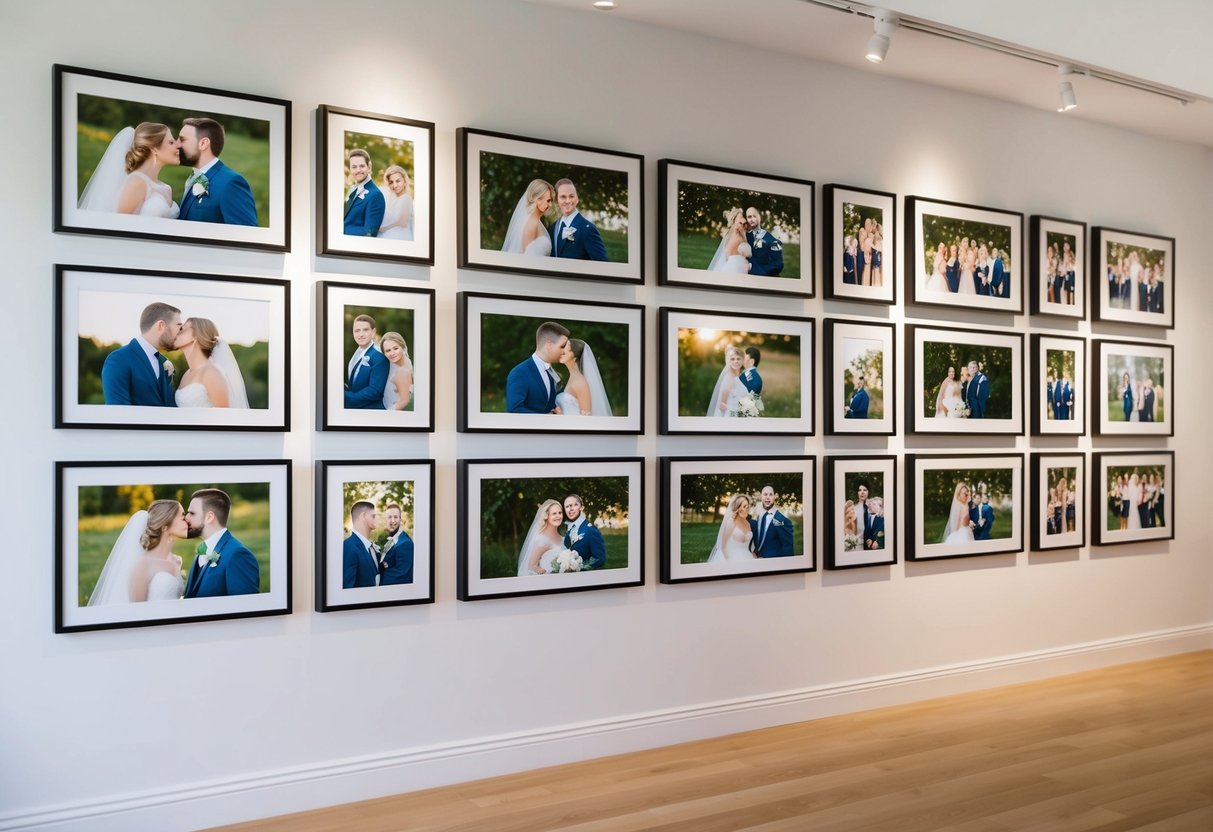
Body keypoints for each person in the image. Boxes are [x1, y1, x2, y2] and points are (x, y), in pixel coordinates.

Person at [88, 499, 186, 605]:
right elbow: (138, 611)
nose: (187, 521)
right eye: (182, 517)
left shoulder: (175, 560)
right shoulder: (144, 564)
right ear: (164, 527)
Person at [78, 122, 180, 218]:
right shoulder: (137, 182)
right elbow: (118, 226)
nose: (178, 145)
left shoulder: (166, 188)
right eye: (171, 142)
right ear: (154, 149)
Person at [177, 117, 258, 225]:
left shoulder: (231, 183)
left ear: (203, 144)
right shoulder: (195, 178)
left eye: (182, 139)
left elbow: (248, 235)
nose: (177, 144)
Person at [101, 301, 182, 407]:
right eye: (178, 326)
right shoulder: (118, 359)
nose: (181, 332)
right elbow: (118, 414)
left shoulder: (165, 363)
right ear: (161, 325)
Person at [183, 488, 260, 597]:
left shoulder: (238, 555)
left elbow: (246, 608)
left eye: (191, 513)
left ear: (209, 517)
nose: (186, 518)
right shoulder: (201, 553)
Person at [172, 317, 249, 408]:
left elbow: (223, 418)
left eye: (182, 329)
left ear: (196, 335)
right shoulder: (186, 374)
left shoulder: (211, 372)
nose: (176, 332)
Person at [505, 321, 569, 414]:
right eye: (562, 346)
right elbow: (515, 410)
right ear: (549, 345)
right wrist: (548, 420)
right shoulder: (519, 373)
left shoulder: (552, 372)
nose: (565, 351)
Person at [550, 179, 608, 261]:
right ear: (556, 200)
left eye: (571, 196)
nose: (568, 201)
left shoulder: (588, 230)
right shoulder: (552, 228)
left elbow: (603, 265)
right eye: (563, 197)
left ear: (577, 198)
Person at [555, 338, 611, 417]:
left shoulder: (579, 382)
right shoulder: (573, 378)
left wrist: (561, 416)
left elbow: (586, 419)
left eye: (567, 350)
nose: (562, 352)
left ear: (575, 357)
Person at [345, 314, 389, 410]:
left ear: (373, 332)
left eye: (365, 330)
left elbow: (375, 391)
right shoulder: (357, 354)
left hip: (371, 413)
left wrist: (346, 397)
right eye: (357, 330)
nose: (361, 334)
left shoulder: (379, 357)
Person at [501, 178, 554, 256]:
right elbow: (528, 258)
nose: (550, 205)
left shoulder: (534, 221)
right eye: (548, 200)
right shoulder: (532, 224)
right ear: (538, 199)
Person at [342, 148, 385, 237]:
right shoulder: (352, 190)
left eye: (362, 166)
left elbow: (369, 234)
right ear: (350, 169)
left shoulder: (376, 195)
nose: (358, 170)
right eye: (354, 167)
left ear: (369, 168)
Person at [517, 499, 565, 575]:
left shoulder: (563, 538)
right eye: (554, 513)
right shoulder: (541, 540)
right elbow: (531, 567)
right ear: (546, 516)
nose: (558, 516)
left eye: (560, 513)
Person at [706, 494, 755, 563]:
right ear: (737, 508)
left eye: (746, 506)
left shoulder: (748, 524)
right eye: (742, 506)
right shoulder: (731, 522)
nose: (745, 509)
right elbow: (723, 547)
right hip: (732, 559)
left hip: (747, 557)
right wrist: (729, 562)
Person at [342, 501, 380, 589]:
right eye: (373, 516)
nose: (376, 519)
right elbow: (348, 589)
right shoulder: (348, 547)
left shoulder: (370, 547)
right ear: (363, 516)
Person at [563, 494, 606, 570]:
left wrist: (579, 567)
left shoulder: (591, 531)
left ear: (581, 507)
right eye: (567, 506)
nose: (571, 509)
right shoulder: (568, 529)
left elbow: (599, 558)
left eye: (575, 505)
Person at [751, 485, 795, 557]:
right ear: (761, 497)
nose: (767, 497)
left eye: (770, 494)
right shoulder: (760, 517)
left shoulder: (782, 520)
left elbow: (788, 548)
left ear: (775, 497)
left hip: (774, 562)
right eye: (765, 494)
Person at [706, 346, 748, 417]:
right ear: (728, 361)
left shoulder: (736, 377)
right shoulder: (730, 378)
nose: (736, 361)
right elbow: (722, 405)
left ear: (743, 360)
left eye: (738, 359)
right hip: (730, 415)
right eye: (732, 359)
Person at [379, 503, 415, 585]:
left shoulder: (405, 543)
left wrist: (378, 580)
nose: (392, 520)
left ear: (400, 519)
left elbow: (401, 575)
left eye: (395, 517)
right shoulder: (393, 539)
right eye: (389, 517)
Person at [707, 208, 752, 273]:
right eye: (740, 217)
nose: (743, 219)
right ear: (734, 219)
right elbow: (748, 252)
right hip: (735, 267)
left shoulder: (734, 232)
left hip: (735, 265)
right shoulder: (736, 233)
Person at [379, 331, 414, 411]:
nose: (392, 353)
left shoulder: (402, 372)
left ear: (403, 347)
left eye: (396, 348)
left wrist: (386, 415)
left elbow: (404, 401)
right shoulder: (404, 361)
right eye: (388, 350)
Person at [378, 165, 414, 240]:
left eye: (398, 181)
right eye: (391, 182)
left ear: (404, 181)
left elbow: (402, 222)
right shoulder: (391, 197)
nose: (395, 185)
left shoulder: (406, 198)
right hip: (390, 236)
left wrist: (382, 228)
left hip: (400, 237)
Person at [745, 206, 783, 276]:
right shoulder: (745, 236)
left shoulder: (771, 239)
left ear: (759, 217)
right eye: (749, 217)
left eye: (754, 216)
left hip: (764, 277)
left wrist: (755, 270)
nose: (752, 219)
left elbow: (778, 265)